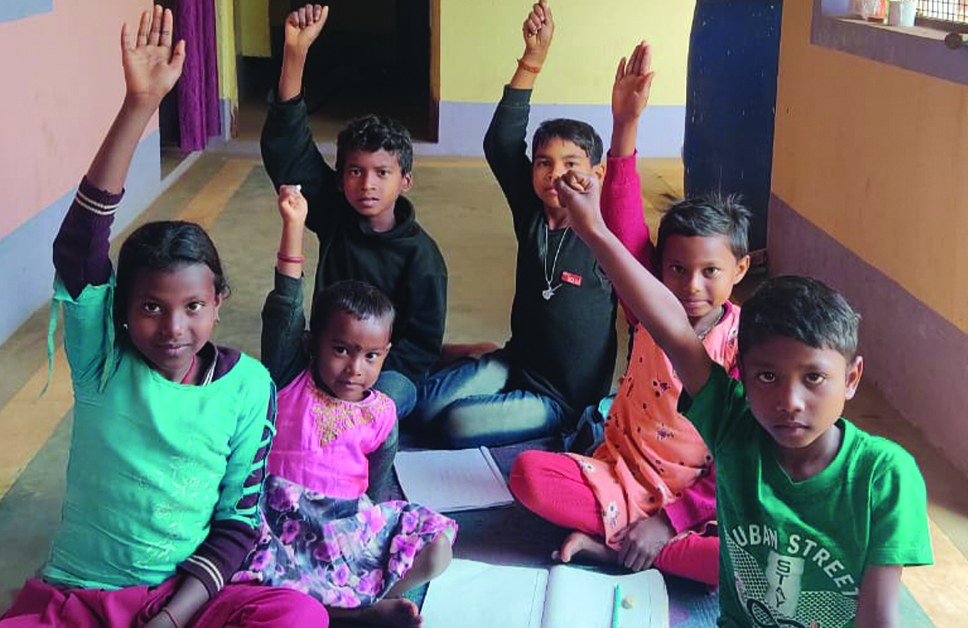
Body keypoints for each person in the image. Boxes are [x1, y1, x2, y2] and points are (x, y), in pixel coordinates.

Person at [0, 9, 326, 627]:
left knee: (299, 616)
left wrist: (173, 617)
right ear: (120, 312)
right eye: (150, 307)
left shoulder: (249, 387)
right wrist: (139, 108)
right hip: (80, 596)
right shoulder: (101, 364)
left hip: (186, 600)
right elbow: (78, 251)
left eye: (193, 307)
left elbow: (235, 524)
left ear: (220, 300)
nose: (174, 328)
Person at [552, 169, 933, 628]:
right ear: (743, 375)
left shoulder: (884, 476)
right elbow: (670, 329)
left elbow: (879, 618)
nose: (789, 401)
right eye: (767, 376)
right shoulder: (734, 427)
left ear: (851, 379)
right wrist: (593, 229)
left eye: (814, 378)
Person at [510, 42, 750, 586]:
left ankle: (619, 546)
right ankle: (629, 537)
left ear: (740, 270)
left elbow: (739, 463)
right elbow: (623, 228)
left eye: (710, 271)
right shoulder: (647, 311)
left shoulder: (745, 347)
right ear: (656, 272)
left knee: (748, 564)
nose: (690, 286)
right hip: (617, 473)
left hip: (694, 498)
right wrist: (625, 127)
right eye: (675, 269)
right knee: (528, 476)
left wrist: (670, 523)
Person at [233, 185, 455, 628]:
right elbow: (284, 308)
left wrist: (367, 523)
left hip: (344, 530)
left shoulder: (382, 413)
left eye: (371, 356)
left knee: (437, 548)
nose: (355, 367)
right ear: (313, 343)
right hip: (283, 524)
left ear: (386, 354)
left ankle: (365, 605)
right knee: (234, 572)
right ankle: (343, 613)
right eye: (341, 349)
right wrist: (293, 228)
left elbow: (378, 481)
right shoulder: (290, 376)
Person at [261, 4, 449, 497]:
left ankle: (362, 501)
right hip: (327, 351)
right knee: (279, 394)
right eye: (354, 171)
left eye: (382, 173)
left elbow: (421, 344)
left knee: (368, 405)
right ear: (341, 177)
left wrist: (365, 371)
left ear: (404, 181)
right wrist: (295, 56)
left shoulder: (422, 257)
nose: (367, 184)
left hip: (389, 370)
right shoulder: (336, 215)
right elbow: (290, 152)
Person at [412, 1, 619, 448]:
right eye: (544, 162)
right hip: (516, 360)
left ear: (597, 174)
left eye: (571, 163)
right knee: (422, 407)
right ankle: (477, 360)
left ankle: (511, 397)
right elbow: (502, 141)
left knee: (453, 425)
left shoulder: (605, 235)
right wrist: (533, 60)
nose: (555, 173)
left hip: (563, 398)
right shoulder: (531, 211)